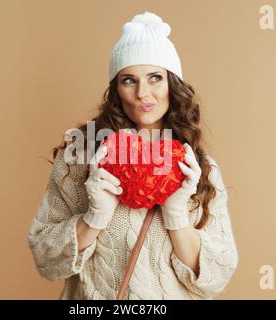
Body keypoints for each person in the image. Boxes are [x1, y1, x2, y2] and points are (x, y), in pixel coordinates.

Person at [28, 11, 238, 300]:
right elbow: (46, 261)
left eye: (155, 78)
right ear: (116, 89)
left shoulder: (197, 169)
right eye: (129, 80)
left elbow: (216, 279)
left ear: (171, 85)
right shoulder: (79, 160)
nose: (142, 93)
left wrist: (176, 214)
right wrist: (95, 216)